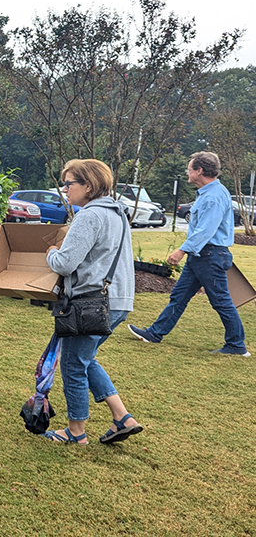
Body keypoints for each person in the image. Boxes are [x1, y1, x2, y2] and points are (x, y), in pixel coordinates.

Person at [41, 159, 143, 445]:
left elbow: (65, 262)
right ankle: (122, 417)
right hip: (118, 301)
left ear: (88, 185)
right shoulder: (118, 213)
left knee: (73, 364)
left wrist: (50, 252)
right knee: (86, 359)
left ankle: (76, 431)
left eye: (69, 183)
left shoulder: (89, 216)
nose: (64, 189)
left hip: (91, 302)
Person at [129, 151, 249, 356]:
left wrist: (182, 251)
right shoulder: (210, 193)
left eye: (189, 168)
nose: (187, 172)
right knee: (179, 296)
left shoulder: (213, 197)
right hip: (202, 256)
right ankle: (154, 333)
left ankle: (237, 345)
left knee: (221, 300)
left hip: (210, 255)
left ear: (200, 170)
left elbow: (206, 230)